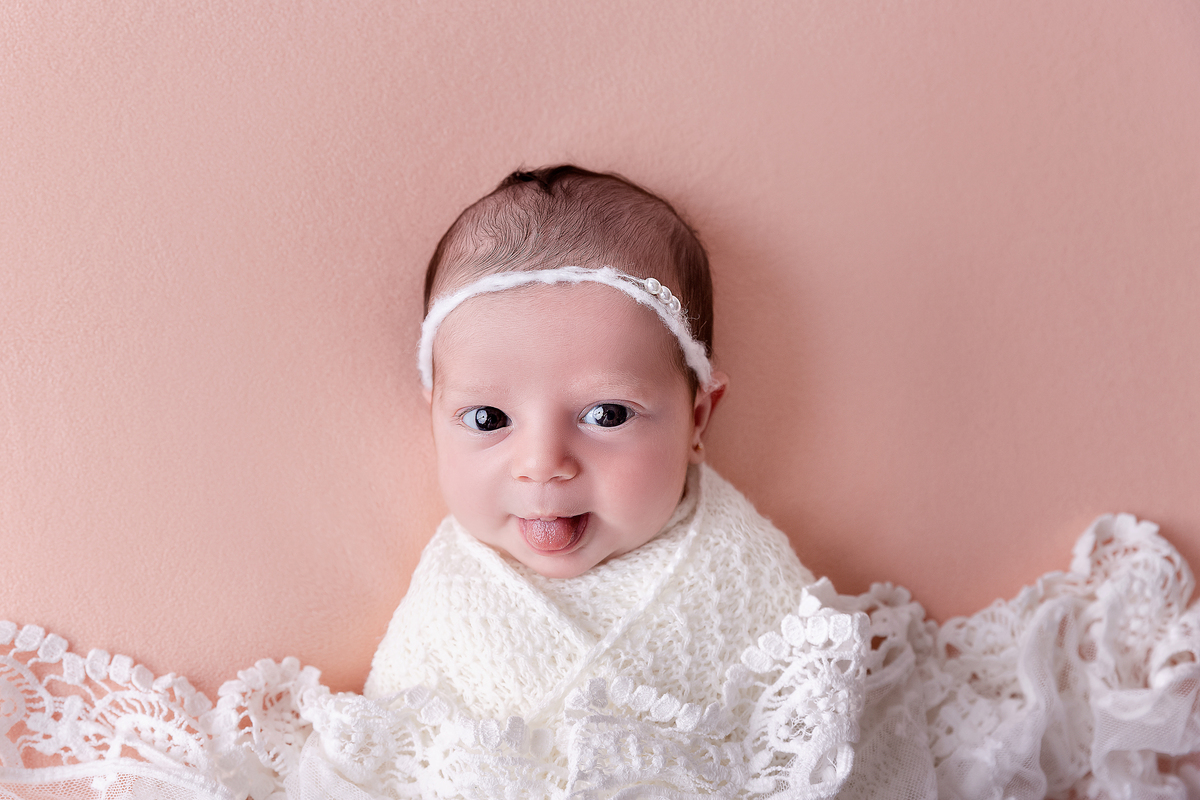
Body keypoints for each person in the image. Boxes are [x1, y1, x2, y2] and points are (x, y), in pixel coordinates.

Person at [1, 166, 1196, 800]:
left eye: (608, 413)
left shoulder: (736, 559)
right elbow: (408, 746)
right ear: (435, 418)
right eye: (486, 419)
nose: (543, 461)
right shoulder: (455, 591)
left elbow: (817, 718)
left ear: (700, 418)